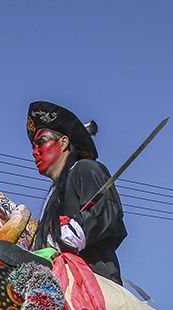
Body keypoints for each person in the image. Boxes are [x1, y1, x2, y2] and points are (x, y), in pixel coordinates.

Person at [27, 100, 127, 284]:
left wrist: (73, 232)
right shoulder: (52, 195)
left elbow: (108, 212)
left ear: (64, 142)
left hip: (95, 281)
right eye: (33, 147)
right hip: (59, 284)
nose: (35, 152)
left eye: (41, 142)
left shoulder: (85, 169)